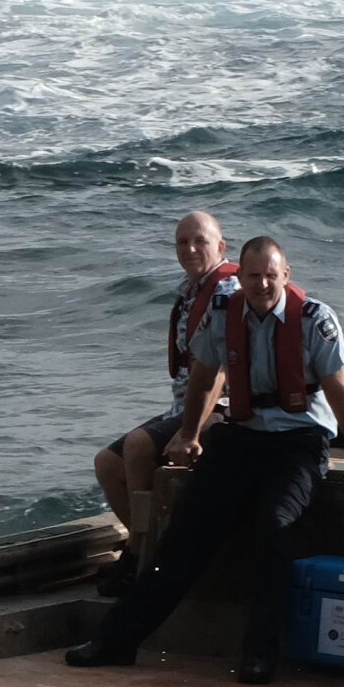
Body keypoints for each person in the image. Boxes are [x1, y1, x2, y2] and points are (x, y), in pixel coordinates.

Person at [69, 236, 344, 683]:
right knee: (183, 533)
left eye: (270, 276)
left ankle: (261, 653)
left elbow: (339, 393)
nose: (261, 285)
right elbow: (204, 382)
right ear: (240, 277)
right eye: (253, 276)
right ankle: (116, 641)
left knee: (274, 527)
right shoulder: (222, 315)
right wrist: (188, 435)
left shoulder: (315, 319)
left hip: (300, 442)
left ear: (286, 275)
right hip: (240, 436)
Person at [95, 211, 240, 522]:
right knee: (107, 463)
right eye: (182, 242)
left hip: (223, 407)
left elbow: (220, 371)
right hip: (183, 407)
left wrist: (192, 430)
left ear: (221, 247)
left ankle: (147, 551)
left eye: (200, 241)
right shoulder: (191, 289)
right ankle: (141, 543)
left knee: (138, 446)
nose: (189, 249)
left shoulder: (226, 294)